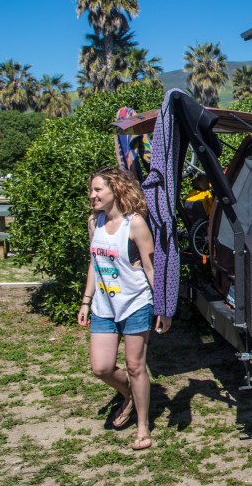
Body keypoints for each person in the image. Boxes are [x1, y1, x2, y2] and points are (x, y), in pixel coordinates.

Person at [77, 167, 171, 450]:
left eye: (97, 190)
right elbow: (95, 263)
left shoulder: (136, 224)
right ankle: (129, 394)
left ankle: (143, 427)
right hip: (104, 306)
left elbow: (151, 267)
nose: (92, 195)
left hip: (135, 302)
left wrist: (163, 307)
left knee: (135, 365)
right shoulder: (95, 222)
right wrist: (86, 300)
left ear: (115, 190)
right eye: (92, 190)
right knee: (101, 367)